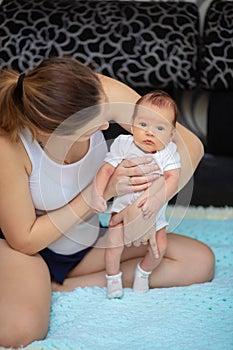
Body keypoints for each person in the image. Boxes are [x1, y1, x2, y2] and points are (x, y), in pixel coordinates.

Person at [0, 56, 215, 348]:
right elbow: (25, 239)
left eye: (104, 114)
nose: (106, 125)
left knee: (198, 262)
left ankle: (59, 287)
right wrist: (100, 194)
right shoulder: (10, 145)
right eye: (92, 125)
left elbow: (190, 146)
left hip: (82, 244)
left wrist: (148, 206)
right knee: (19, 332)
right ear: (52, 132)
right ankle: (36, 284)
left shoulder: (93, 89)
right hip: (27, 251)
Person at [91, 90, 181, 298]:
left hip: (154, 213)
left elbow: (172, 178)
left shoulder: (168, 152)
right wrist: (97, 193)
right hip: (122, 210)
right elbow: (105, 169)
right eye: (143, 125)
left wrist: (157, 200)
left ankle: (143, 272)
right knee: (113, 245)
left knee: (160, 248)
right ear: (132, 126)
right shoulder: (124, 144)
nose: (150, 133)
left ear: (171, 134)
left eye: (160, 128)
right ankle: (113, 278)